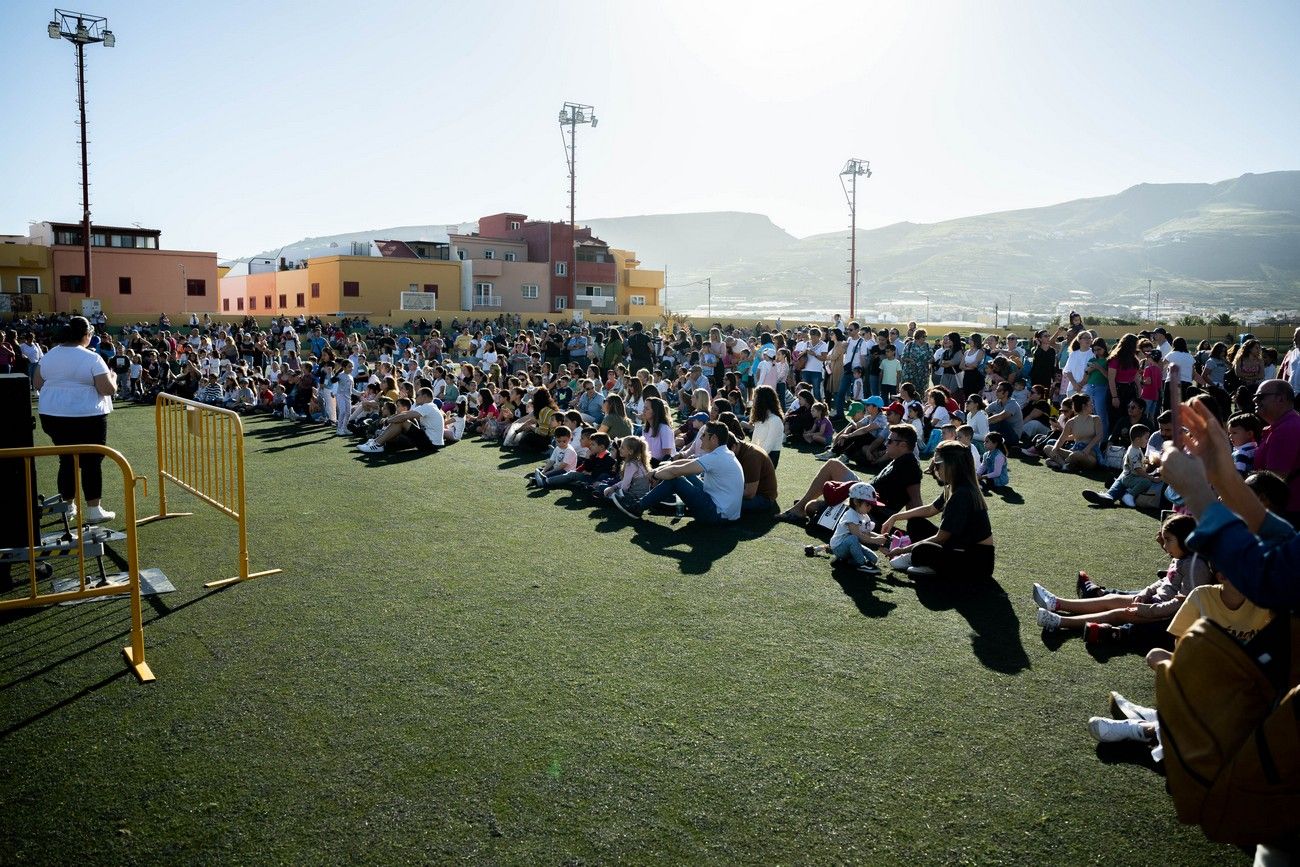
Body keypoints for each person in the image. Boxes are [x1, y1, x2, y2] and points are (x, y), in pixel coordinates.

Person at [32, 315, 118, 523]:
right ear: (86, 335)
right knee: (91, 462)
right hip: (87, 416)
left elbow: (37, 383)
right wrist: (113, 378)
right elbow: (106, 389)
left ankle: (69, 506)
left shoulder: (49, 355)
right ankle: (93, 509)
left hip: (53, 416)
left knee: (66, 460)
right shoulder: (92, 358)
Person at [883, 441, 995, 580]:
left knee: (921, 550)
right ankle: (926, 561)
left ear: (951, 465)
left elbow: (941, 538)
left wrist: (903, 550)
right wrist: (895, 517)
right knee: (915, 522)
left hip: (976, 561)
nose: (935, 469)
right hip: (961, 547)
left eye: (937, 464)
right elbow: (931, 509)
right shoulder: (954, 487)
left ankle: (926, 562)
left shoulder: (961, 495)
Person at [612, 421, 744, 523]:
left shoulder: (716, 457)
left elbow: (677, 471)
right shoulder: (723, 453)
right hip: (724, 511)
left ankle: (638, 507)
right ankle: (656, 500)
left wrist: (654, 474)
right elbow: (685, 464)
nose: (700, 438)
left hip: (719, 515)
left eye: (704, 435)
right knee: (680, 472)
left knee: (676, 479)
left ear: (714, 438)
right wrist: (660, 468)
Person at [1250, 379, 1300, 523]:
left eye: (1260, 397)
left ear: (1281, 398)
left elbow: (1273, 482)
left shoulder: (1287, 429)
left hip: (1287, 512)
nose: (1254, 400)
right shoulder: (1285, 425)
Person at [357, 387, 444, 454]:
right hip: (429, 440)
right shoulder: (429, 406)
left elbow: (405, 416)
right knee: (400, 421)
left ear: (424, 396)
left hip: (431, 443)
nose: (416, 397)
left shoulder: (428, 406)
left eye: (417, 395)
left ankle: (377, 443)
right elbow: (407, 414)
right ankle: (377, 442)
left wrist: (388, 420)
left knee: (402, 421)